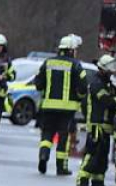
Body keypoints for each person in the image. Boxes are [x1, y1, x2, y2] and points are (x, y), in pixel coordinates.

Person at [33, 35, 87, 176]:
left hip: (48, 107)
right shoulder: (76, 65)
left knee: (47, 134)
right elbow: (82, 88)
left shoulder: (48, 63)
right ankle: (61, 167)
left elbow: (38, 84)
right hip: (67, 109)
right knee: (64, 137)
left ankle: (43, 156)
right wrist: (79, 98)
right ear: (70, 50)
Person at [76, 54, 116, 186]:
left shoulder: (107, 84)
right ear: (103, 69)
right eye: (110, 70)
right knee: (92, 155)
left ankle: (98, 184)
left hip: (105, 128)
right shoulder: (96, 83)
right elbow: (108, 102)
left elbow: (114, 97)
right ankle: (82, 182)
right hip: (97, 126)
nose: (112, 72)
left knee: (102, 158)